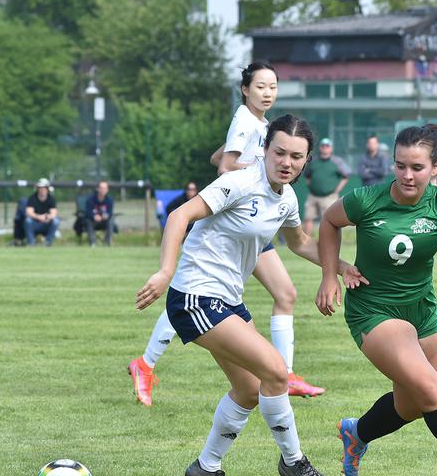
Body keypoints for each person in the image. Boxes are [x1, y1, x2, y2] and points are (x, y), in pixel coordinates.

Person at [134, 115, 365, 476]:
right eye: (280, 153)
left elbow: (301, 242)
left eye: (296, 157)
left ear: (306, 160)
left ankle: (205, 468)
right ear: (265, 150)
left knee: (249, 389)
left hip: (227, 300)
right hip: (195, 296)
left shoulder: (286, 197)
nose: (287, 163)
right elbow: (180, 215)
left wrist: (341, 266)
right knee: (275, 371)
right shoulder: (239, 182)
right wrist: (165, 271)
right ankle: (294, 465)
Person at [315, 123, 437, 476]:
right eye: (400, 165)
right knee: (434, 393)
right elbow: (329, 223)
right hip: (373, 310)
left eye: (417, 167)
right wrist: (331, 274)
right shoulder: (366, 199)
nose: (407, 175)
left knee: (413, 406)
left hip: (422, 313)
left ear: (435, 168)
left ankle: (356, 433)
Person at [129, 62, 324, 409]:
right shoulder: (246, 120)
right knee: (198, 290)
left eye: (273, 87)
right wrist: (258, 176)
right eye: (261, 86)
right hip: (239, 216)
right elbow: (224, 167)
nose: (268, 92)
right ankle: (146, 364)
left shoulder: (263, 126)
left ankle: (282, 373)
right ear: (245, 90)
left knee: (284, 293)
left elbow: (218, 155)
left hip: (258, 215)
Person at [302, 138, 350, 235]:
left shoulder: (337, 161)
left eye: (327, 146)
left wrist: (337, 190)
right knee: (308, 218)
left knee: (329, 221)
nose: (325, 148)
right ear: (320, 148)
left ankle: (326, 243)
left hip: (329, 197)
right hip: (313, 195)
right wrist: (311, 186)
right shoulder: (313, 161)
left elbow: (346, 175)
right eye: (323, 146)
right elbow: (307, 175)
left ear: (331, 148)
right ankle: (306, 242)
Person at [24, 178, 60, 246]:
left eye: (44, 188)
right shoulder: (32, 198)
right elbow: (29, 212)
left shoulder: (51, 199)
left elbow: (54, 213)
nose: (42, 190)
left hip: (46, 223)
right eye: (41, 188)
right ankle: (31, 243)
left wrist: (47, 217)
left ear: (47, 189)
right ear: (38, 189)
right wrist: (39, 217)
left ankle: (48, 243)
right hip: (35, 223)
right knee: (28, 221)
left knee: (56, 221)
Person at [85, 179, 114, 246]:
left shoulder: (110, 200)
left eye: (105, 188)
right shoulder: (90, 199)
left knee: (111, 220)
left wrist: (107, 216)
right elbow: (87, 211)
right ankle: (93, 243)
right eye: (101, 188)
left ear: (107, 190)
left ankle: (107, 242)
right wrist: (94, 216)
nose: (103, 190)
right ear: (98, 189)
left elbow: (110, 212)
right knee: (88, 221)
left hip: (104, 221)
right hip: (93, 221)